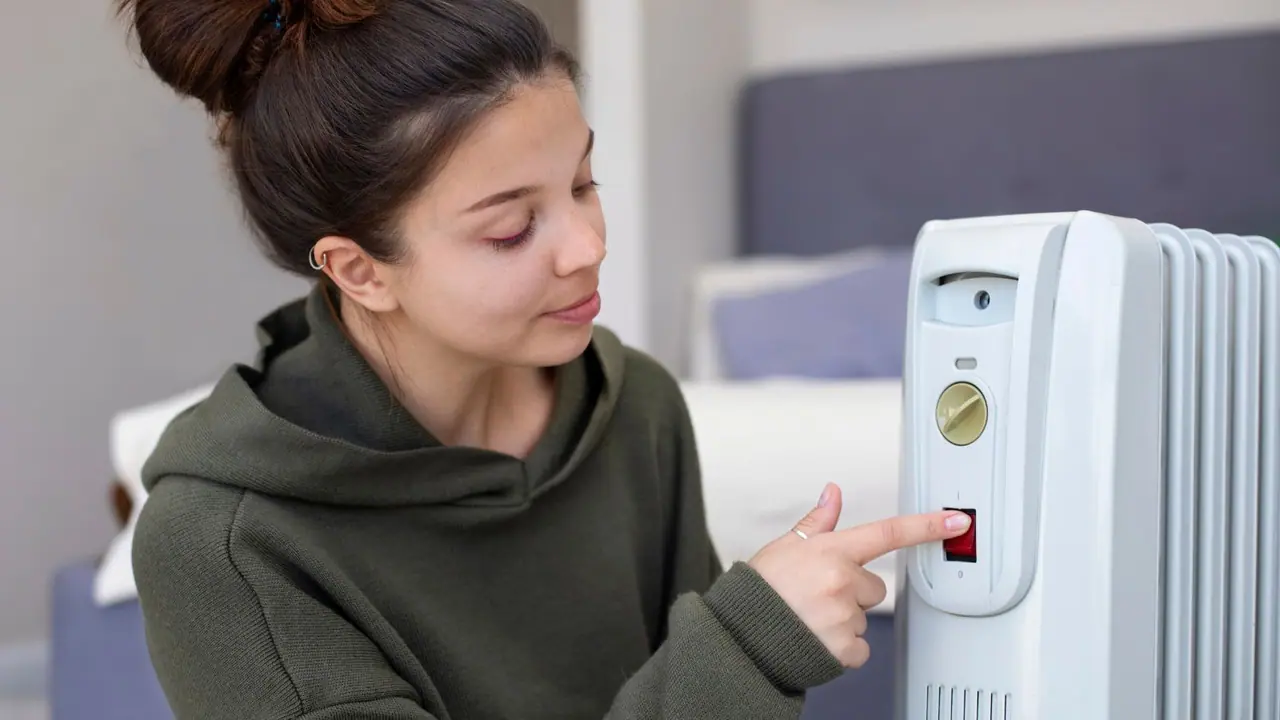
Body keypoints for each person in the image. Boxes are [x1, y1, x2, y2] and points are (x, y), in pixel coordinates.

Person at [115, 0, 972, 718]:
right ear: (359, 270)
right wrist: (748, 644)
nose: (588, 245)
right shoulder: (226, 543)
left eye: (583, 184)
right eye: (511, 228)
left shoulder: (634, 405)